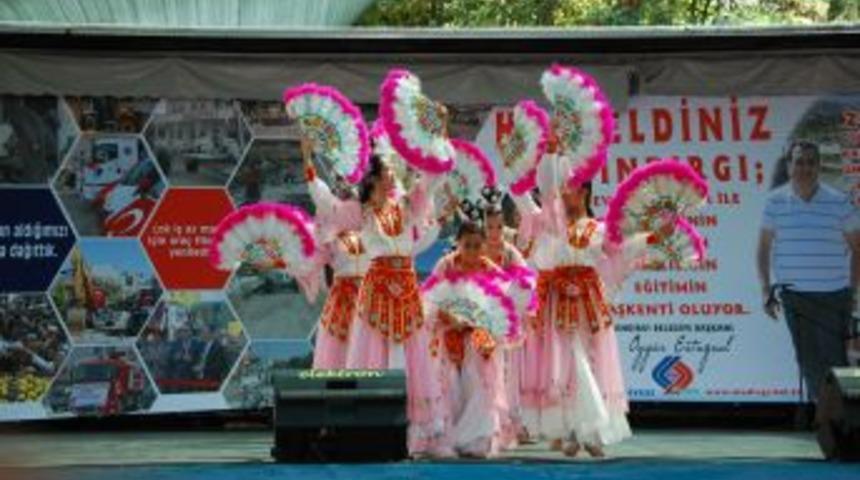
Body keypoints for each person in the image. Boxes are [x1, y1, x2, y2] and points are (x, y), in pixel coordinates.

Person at [757, 140, 860, 401]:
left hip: (834, 295)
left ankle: (846, 419)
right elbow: (764, 248)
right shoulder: (775, 202)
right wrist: (766, 290)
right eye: (799, 162)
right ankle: (826, 416)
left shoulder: (839, 202)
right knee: (808, 361)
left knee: (837, 360)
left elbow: (857, 249)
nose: (805, 167)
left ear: (819, 166)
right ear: (789, 166)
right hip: (795, 297)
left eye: (811, 162)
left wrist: (852, 292)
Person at [427, 221, 508, 458]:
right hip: (450, 332)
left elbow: (504, 303)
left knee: (481, 384)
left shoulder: (490, 268)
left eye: (476, 245)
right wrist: (450, 316)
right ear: (458, 244)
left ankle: (476, 439)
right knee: (451, 385)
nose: (472, 250)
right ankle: (450, 438)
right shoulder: (446, 265)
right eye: (467, 245)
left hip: (480, 336)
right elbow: (430, 299)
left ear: (483, 245)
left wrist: (481, 319)